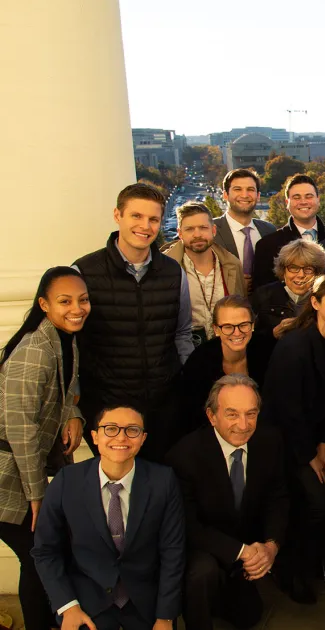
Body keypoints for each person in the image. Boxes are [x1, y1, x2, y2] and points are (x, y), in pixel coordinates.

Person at [31, 404, 185, 630]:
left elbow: (173, 551)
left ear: (143, 439)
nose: (121, 437)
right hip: (86, 601)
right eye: (111, 428)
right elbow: (45, 550)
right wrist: (68, 606)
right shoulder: (67, 481)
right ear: (94, 437)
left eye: (132, 430)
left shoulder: (163, 481)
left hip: (143, 602)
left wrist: (165, 617)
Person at [73, 182, 194, 461]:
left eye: (153, 219)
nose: (145, 226)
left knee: (160, 485)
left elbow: (182, 334)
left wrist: (187, 388)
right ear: (118, 216)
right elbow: (73, 343)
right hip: (107, 407)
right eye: (136, 216)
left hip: (163, 407)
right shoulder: (84, 271)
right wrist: (74, 404)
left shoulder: (173, 273)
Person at [260, 274, 325, 603]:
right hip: (287, 443)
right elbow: (287, 412)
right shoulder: (294, 348)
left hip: (318, 437)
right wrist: (310, 455)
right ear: (315, 303)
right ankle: (290, 570)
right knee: (317, 501)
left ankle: (318, 561)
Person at [0, 268, 88, 630]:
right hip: (8, 477)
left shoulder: (64, 337)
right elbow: (22, 431)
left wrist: (74, 413)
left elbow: (67, 387)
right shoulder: (34, 351)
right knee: (39, 555)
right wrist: (37, 496)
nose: (77, 308)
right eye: (65, 301)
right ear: (43, 304)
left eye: (82, 299)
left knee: (45, 552)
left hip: (25, 470)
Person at [166, 374, 289, 630]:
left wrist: (270, 547)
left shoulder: (270, 441)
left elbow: (278, 499)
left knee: (249, 616)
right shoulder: (185, 455)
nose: (243, 425)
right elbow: (188, 525)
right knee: (202, 573)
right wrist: (243, 551)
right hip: (202, 550)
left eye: (251, 414)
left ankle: (226, 593)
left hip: (243, 548)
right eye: (232, 414)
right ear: (212, 416)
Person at [175, 295, 276, 436]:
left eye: (243, 325)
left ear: (252, 325)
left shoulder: (268, 351)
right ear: (216, 329)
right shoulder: (199, 362)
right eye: (228, 327)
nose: (237, 333)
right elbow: (192, 417)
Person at [164, 201, 246, 344]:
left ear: (213, 231)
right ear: (180, 233)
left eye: (203, 228)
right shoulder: (165, 268)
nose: (197, 235)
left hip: (225, 350)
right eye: (189, 229)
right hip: (183, 352)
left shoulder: (232, 265)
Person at [251, 174, 325, 290]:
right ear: (287, 202)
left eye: (309, 196)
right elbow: (262, 293)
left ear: (318, 200)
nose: (303, 202)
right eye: (296, 197)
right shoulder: (267, 245)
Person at [212, 168, 277, 293]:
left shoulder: (269, 230)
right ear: (225, 195)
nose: (245, 195)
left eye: (250, 190)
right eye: (238, 189)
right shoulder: (210, 230)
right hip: (223, 307)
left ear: (258, 196)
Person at [249, 238, 325, 339]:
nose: (301, 275)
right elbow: (250, 339)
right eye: (293, 268)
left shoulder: (324, 297)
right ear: (283, 270)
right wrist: (273, 334)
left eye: (308, 269)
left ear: (317, 272)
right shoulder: (263, 295)